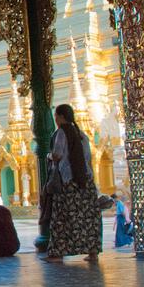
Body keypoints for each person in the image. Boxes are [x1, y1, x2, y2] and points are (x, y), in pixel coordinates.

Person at [44, 104, 103, 263]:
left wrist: (48, 156)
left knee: (62, 218)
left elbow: (57, 154)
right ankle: (93, 252)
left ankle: (57, 254)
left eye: (56, 116)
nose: (55, 119)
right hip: (85, 181)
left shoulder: (62, 133)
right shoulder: (81, 134)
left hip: (68, 182)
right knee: (88, 217)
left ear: (62, 117)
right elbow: (88, 158)